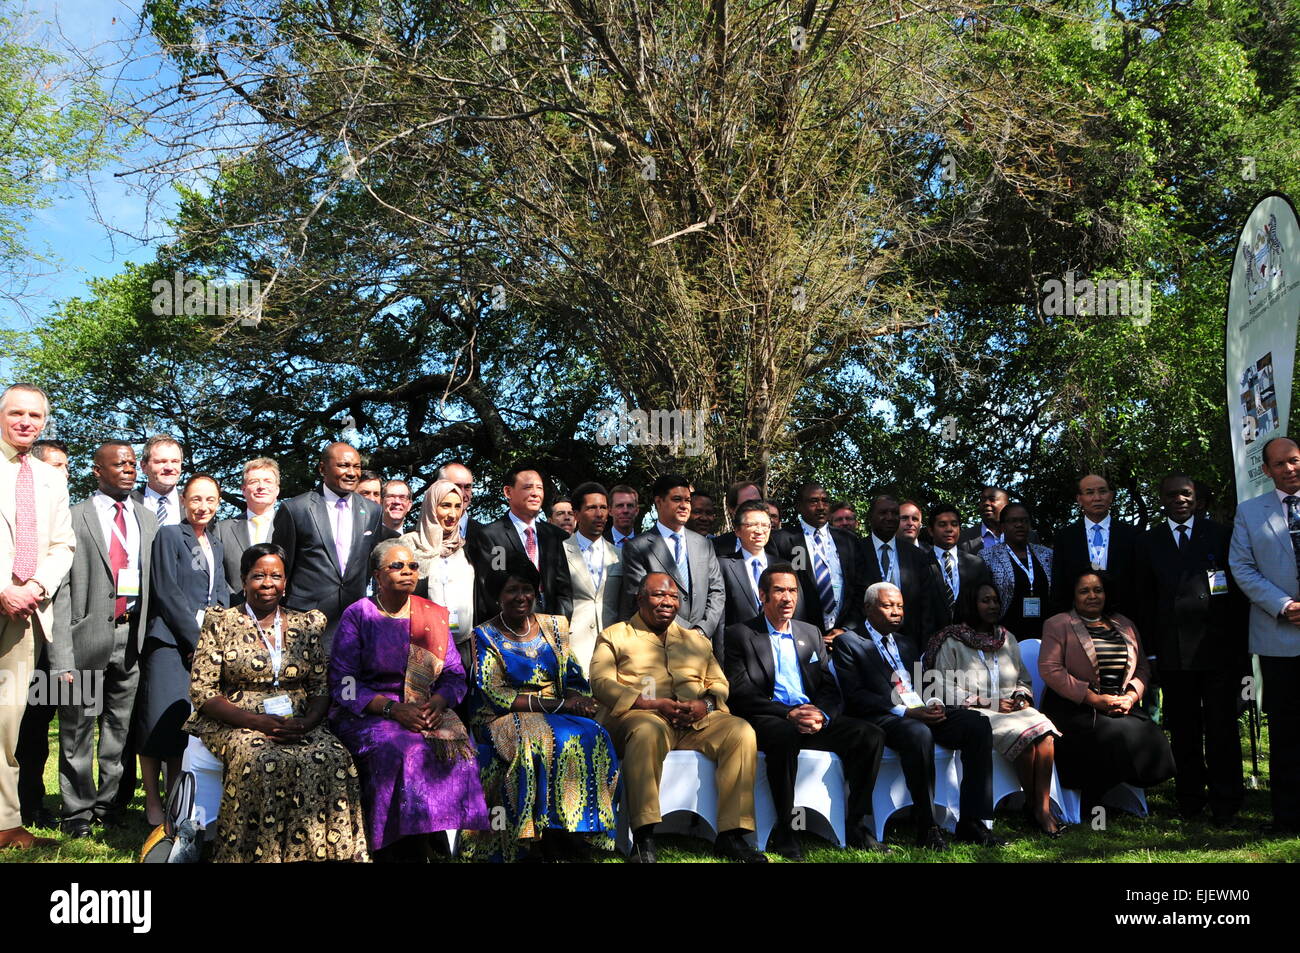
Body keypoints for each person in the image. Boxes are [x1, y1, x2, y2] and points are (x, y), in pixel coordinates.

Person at [184, 543, 369, 862]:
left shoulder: (306, 625)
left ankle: (322, 855)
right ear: (243, 581)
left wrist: (307, 723)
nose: (267, 583)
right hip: (234, 720)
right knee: (263, 762)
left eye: (275, 576)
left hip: (298, 721)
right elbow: (203, 691)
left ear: (285, 583)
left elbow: (321, 687)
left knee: (334, 759)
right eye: (258, 576)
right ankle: (255, 856)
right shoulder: (221, 621)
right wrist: (257, 723)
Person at [328, 541, 489, 860]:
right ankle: (399, 846)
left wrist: (439, 704)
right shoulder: (359, 614)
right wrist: (392, 709)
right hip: (370, 713)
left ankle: (436, 836)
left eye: (413, 567)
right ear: (377, 575)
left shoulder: (433, 615)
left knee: (461, 753)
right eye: (397, 566)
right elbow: (343, 683)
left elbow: (455, 675)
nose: (407, 572)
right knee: (404, 751)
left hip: (425, 708)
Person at [593, 573, 765, 863]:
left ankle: (732, 836)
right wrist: (649, 703)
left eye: (673, 597)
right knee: (647, 729)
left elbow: (720, 683)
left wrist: (706, 705)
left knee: (741, 731)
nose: (667, 602)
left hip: (694, 722)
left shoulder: (695, 640)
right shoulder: (614, 635)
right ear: (640, 599)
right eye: (659, 595)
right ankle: (644, 837)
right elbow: (600, 681)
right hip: (639, 718)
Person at [724, 563, 887, 858]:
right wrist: (788, 713)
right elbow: (740, 693)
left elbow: (829, 687)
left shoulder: (810, 633)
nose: (787, 598)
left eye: (792, 591)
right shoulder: (740, 634)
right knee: (784, 736)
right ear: (763, 595)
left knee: (870, 735)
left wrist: (821, 715)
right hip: (770, 718)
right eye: (779, 591)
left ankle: (857, 825)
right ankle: (785, 831)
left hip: (811, 717)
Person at [467, 559, 618, 862]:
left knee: (595, 734)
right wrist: (561, 704)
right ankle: (535, 837)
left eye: (527, 589)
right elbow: (495, 693)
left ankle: (575, 834)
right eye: (512, 591)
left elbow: (573, 674)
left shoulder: (556, 626)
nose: (521, 596)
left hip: (557, 710)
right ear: (498, 596)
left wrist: (578, 699)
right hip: (503, 714)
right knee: (535, 740)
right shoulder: (483, 635)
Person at [834, 582, 1002, 849]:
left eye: (900, 606)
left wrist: (933, 704)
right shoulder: (849, 642)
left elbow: (923, 686)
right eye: (888, 606)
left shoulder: (905, 642)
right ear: (868, 608)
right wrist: (907, 712)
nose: (896, 612)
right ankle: (927, 826)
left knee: (977, 725)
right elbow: (855, 696)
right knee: (918, 732)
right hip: (883, 717)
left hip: (920, 710)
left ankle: (972, 821)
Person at [1137, 473, 1247, 825]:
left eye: (1186, 494)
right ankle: (1190, 801)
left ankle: (1227, 801)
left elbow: (1238, 595)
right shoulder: (1149, 541)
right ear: (1163, 500)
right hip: (1173, 653)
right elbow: (1145, 602)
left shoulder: (1222, 534)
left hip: (1218, 651)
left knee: (1222, 728)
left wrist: (1240, 647)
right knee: (1183, 729)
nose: (1180, 500)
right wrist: (1150, 653)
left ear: (1196, 498)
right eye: (1172, 495)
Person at [925, 583, 1062, 836]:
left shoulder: (1006, 638)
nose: (993, 606)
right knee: (1025, 737)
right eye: (985, 601)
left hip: (1012, 709)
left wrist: (1021, 696)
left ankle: (1039, 806)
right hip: (978, 711)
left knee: (1046, 734)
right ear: (971, 605)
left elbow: (1022, 677)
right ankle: (1038, 811)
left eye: (996, 600)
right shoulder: (952, 640)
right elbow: (941, 686)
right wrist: (987, 702)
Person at [0, 384, 74, 849]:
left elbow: (62, 544)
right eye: (16, 413)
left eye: (35, 415)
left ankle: (6, 823)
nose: (26, 421)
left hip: (26, 615)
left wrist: (35, 587)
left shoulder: (51, 479)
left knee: (8, 722)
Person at [1038, 570, 1175, 811]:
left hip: (1120, 702)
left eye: (1097, 590)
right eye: (1084, 591)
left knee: (1148, 733)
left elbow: (1142, 667)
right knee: (1113, 734)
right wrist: (1094, 699)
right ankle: (1094, 798)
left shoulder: (1125, 624)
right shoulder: (1058, 624)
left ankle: (1116, 791)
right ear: (1073, 595)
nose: (1092, 596)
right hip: (1076, 705)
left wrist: (1131, 697)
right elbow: (1051, 670)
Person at [138, 473, 229, 827]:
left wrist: (215, 641)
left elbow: (220, 593)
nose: (202, 506)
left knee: (184, 726)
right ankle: (152, 802)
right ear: (183, 502)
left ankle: (179, 800)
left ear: (218, 503)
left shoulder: (216, 543)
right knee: (157, 723)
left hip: (204, 644)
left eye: (210, 500)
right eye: (195, 499)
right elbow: (167, 591)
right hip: (170, 643)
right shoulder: (169, 535)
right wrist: (195, 641)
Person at [1229, 436, 1300, 833]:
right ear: (1267, 470)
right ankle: (1287, 816)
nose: (1289, 469)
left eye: (1295, 461)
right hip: (1279, 636)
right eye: (1280, 464)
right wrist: (1285, 605)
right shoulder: (1250, 513)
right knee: (1287, 731)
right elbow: (1241, 567)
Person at [272, 441, 387, 640]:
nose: (352, 473)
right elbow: (281, 567)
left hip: (354, 622)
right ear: (322, 468)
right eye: (343, 465)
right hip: (304, 623)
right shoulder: (295, 509)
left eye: (357, 466)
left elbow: (371, 565)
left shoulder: (372, 511)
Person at [15, 435, 70, 826]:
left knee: (37, 728)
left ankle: (32, 803)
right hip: (15, 627)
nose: (61, 474)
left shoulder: (66, 517)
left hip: (56, 641)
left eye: (66, 467)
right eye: (54, 466)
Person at [618, 473, 726, 658]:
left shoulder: (704, 544)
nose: (684, 506)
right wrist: (684, 633)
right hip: (658, 646)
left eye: (687, 500)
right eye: (677, 499)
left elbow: (717, 591)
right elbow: (640, 598)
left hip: (702, 644)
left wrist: (701, 630)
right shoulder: (638, 547)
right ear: (659, 502)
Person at [468, 464, 573, 620]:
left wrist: (559, 624)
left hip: (551, 626)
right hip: (511, 629)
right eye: (528, 487)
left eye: (540, 488)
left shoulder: (555, 536)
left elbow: (564, 589)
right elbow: (493, 589)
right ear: (508, 492)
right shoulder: (493, 536)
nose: (535, 494)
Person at [771, 481, 865, 646]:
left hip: (843, 637)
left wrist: (846, 628)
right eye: (814, 501)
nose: (821, 506)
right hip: (799, 636)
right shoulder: (782, 540)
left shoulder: (847, 540)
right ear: (799, 506)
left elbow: (859, 588)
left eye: (825, 501)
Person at [399, 479, 476, 669]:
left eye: (458, 507)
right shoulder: (408, 545)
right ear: (432, 507)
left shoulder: (467, 547)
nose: (452, 514)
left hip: (463, 646)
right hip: (419, 646)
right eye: (445, 506)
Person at [1050, 473, 1140, 615]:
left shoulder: (1132, 535)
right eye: (1090, 492)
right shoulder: (1065, 537)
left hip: (1124, 617)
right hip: (1077, 620)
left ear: (1111, 496)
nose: (1097, 498)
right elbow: (1058, 586)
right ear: (1079, 499)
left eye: (1102, 491)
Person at [860, 495, 944, 645]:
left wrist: (926, 647)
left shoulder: (916, 555)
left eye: (894, 513)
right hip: (866, 642)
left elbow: (926, 606)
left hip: (910, 643)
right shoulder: (856, 550)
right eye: (883, 513)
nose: (890, 517)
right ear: (870, 517)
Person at [561, 481, 622, 675]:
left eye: (603, 507)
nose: (599, 514)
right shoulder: (559, 551)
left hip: (613, 647)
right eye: (591, 508)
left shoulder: (621, 555)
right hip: (572, 646)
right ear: (576, 514)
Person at [718, 499, 804, 627]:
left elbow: (798, 610)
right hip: (738, 642)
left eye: (765, 525)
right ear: (737, 530)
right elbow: (720, 615)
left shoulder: (785, 566)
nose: (759, 531)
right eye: (752, 525)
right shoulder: (722, 566)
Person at [983, 502, 1053, 641]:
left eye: (1024, 521)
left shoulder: (1047, 555)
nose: (1019, 525)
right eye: (1013, 521)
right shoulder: (988, 557)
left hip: (1045, 633)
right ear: (1002, 527)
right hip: (1006, 635)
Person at [212, 457, 280, 598]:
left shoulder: (290, 526)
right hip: (234, 611)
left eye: (267, 481)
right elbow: (216, 574)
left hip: (281, 612)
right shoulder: (222, 530)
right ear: (243, 489)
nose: (261, 486)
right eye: (254, 481)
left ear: (277, 489)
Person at [928, 503, 994, 629]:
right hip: (932, 638)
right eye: (942, 524)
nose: (949, 529)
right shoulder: (921, 563)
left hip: (971, 637)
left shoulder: (976, 564)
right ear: (931, 530)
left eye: (954, 524)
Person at [131, 435, 183, 527]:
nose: (169, 468)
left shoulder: (194, 503)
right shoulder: (128, 502)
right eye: (161, 462)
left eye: (175, 461)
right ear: (144, 467)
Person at [711, 480, 762, 555]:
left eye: (758, 503)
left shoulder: (779, 544)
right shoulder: (715, 547)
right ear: (732, 509)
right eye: (747, 504)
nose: (754, 508)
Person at [437, 462, 483, 543]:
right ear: (438, 488)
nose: (462, 494)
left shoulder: (486, 535)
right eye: (456, 487)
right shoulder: (416, 536)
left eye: (467, 487)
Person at [604, 483, 640, 548]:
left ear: (637, 510)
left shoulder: (648, 545)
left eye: (630, 505)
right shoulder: (598, 544)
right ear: (610, 511)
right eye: (620, 506)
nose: (625, 510)